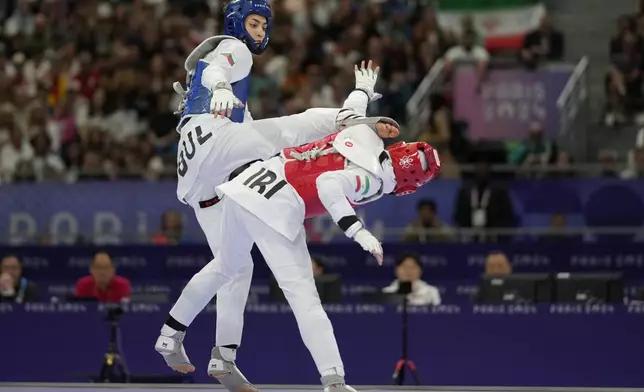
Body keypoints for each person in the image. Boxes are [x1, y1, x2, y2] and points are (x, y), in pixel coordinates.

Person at [155, 2, 394, 389]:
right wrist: (217, 87)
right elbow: (219, 70)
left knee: (233, 267)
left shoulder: (234, 101)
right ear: (235, 23)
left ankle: (190, 343)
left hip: (200, 182)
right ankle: (352, 116)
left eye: (264, 25)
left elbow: (221, 87)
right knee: (295, 127)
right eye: (253, 22)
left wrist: (220, 91)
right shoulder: (234, 50)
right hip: (212, 146)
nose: (260, 31)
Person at [208, 124, 440, 392]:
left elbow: (349, 116)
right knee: (304, 298)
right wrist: (359, 232)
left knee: (227, 270)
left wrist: (363, 91)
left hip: (248, 182)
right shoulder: (374, 179)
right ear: (411, 185)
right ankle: (333, 380)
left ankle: (210, 349)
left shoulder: (366, 135)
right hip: (276, 205)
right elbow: (327, 184)